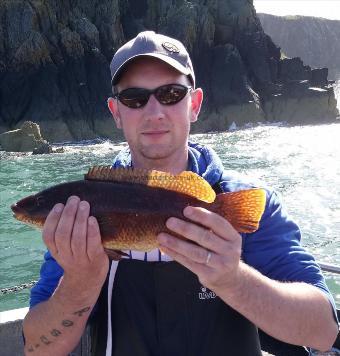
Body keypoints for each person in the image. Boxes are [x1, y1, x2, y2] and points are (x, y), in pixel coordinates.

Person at [23, 31, 338, 355]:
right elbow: (36, 349)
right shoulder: (79, 214)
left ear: (195, 104)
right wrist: (79, 283)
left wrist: (234, 280)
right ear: (116, 112)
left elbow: (325, 331)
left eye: (171, 93)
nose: (154, 111)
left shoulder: (244, 203)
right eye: (134, 98)